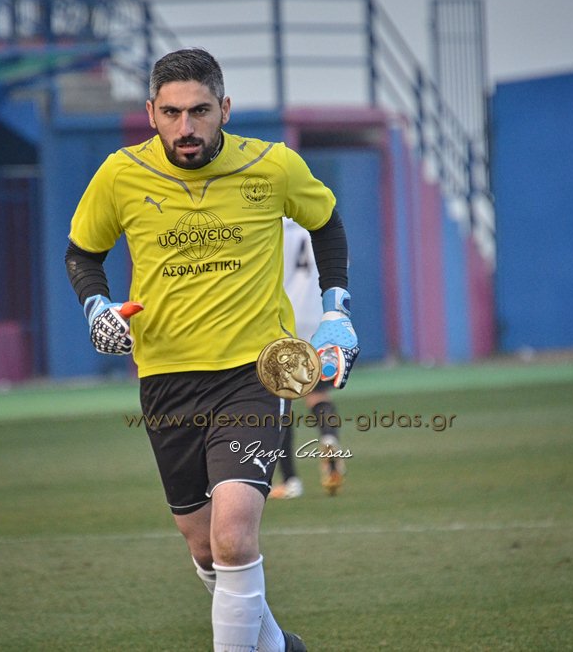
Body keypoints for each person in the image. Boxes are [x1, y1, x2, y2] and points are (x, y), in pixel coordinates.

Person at [64, 48, 359, 652]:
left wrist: (335, 312)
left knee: (233, 537)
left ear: (224, 108)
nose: (186, 126)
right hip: (165, 379)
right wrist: (96, 307)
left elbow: (326, 223)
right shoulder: (120, 174)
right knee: (204, 547)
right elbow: (83, 253)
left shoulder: (272, 165)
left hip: (256, 373)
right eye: (171, 113)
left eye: (199, 111)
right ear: (151, 112)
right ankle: (279, 647)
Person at [271, 218, 348, 499]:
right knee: (318, 395)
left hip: (285, 317)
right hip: (319, 317)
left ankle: (291, 480)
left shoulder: (273, 221)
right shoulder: (321, 221)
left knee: (281, 401)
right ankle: (328, 439)